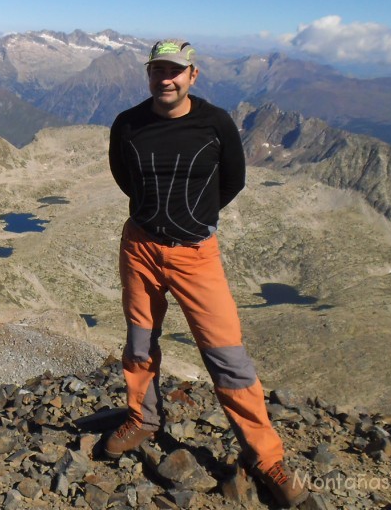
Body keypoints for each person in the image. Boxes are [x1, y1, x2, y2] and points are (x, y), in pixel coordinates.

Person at [105, 39, 308, 508]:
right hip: (140, 246)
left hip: (196, 254)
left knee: (227, 355)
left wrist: (193, 221)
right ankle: (142, 418)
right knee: (139, 340)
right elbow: (124, 177)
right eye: (158, 70)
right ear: (149, 74)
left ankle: (265, 456)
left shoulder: (215, 123)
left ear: (192, 75)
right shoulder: (128, 124)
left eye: (175, 71)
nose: (166, 79)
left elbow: (232, 180)